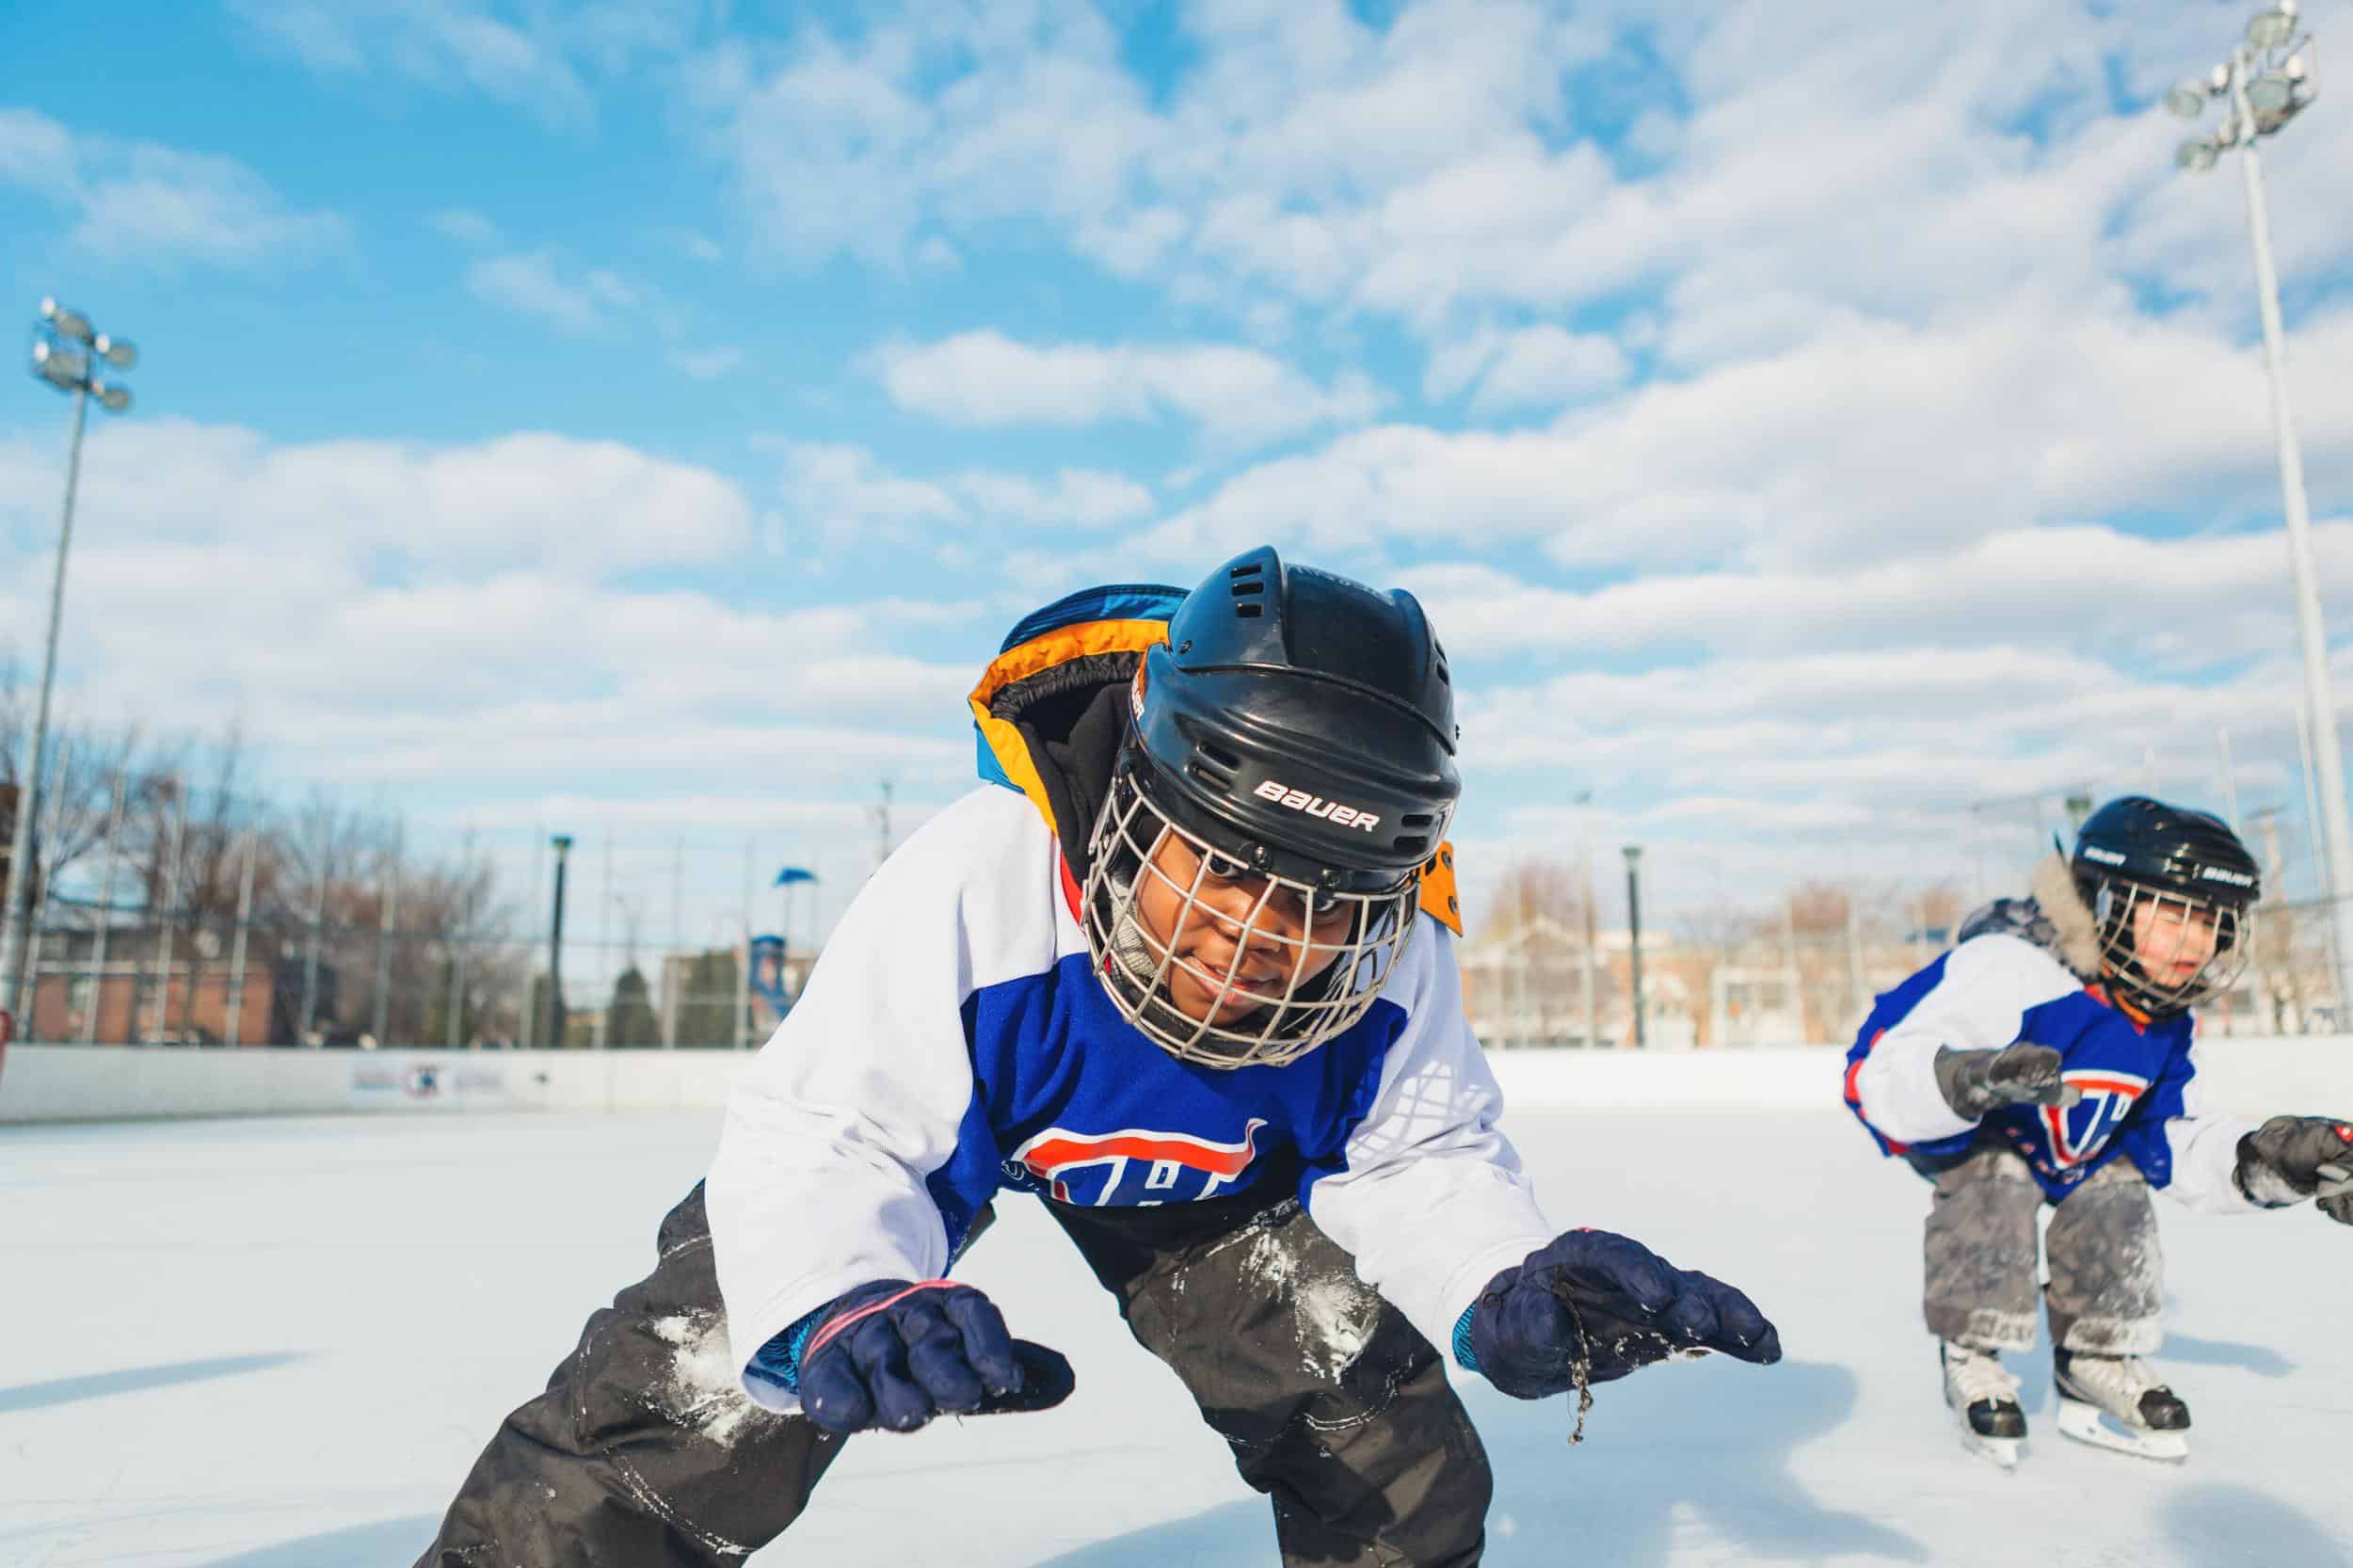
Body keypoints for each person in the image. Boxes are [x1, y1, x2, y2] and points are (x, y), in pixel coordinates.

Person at [415, 547, 1781, 1568]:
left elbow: (1418, 1144)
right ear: (1144, 789)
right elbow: (834, 1126)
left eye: (1325, 900)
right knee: (686, 1414)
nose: (1263, 933)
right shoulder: (980, 872)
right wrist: (838, 1291)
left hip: (1215, 1194)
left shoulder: (1396, 946)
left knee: (1394, 1454)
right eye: (1227, 869)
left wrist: (1502, 1275)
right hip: (955, 1140)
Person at [1843, 796, 2353, 1466]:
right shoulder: (2012, 967)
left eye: (2211, 922)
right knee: (2001, 1177)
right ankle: (1971, 1344)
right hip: (1977, 1143)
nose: (2196, 943)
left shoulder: (2162, 1019)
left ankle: (2096, 1352)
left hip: (2078, 1147)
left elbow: (2168, 1141)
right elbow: (1875, 1077)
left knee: (2116, 1180)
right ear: (2106, 901)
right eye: (2172, 914)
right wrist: (1969, 1077)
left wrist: (2277, 1161)